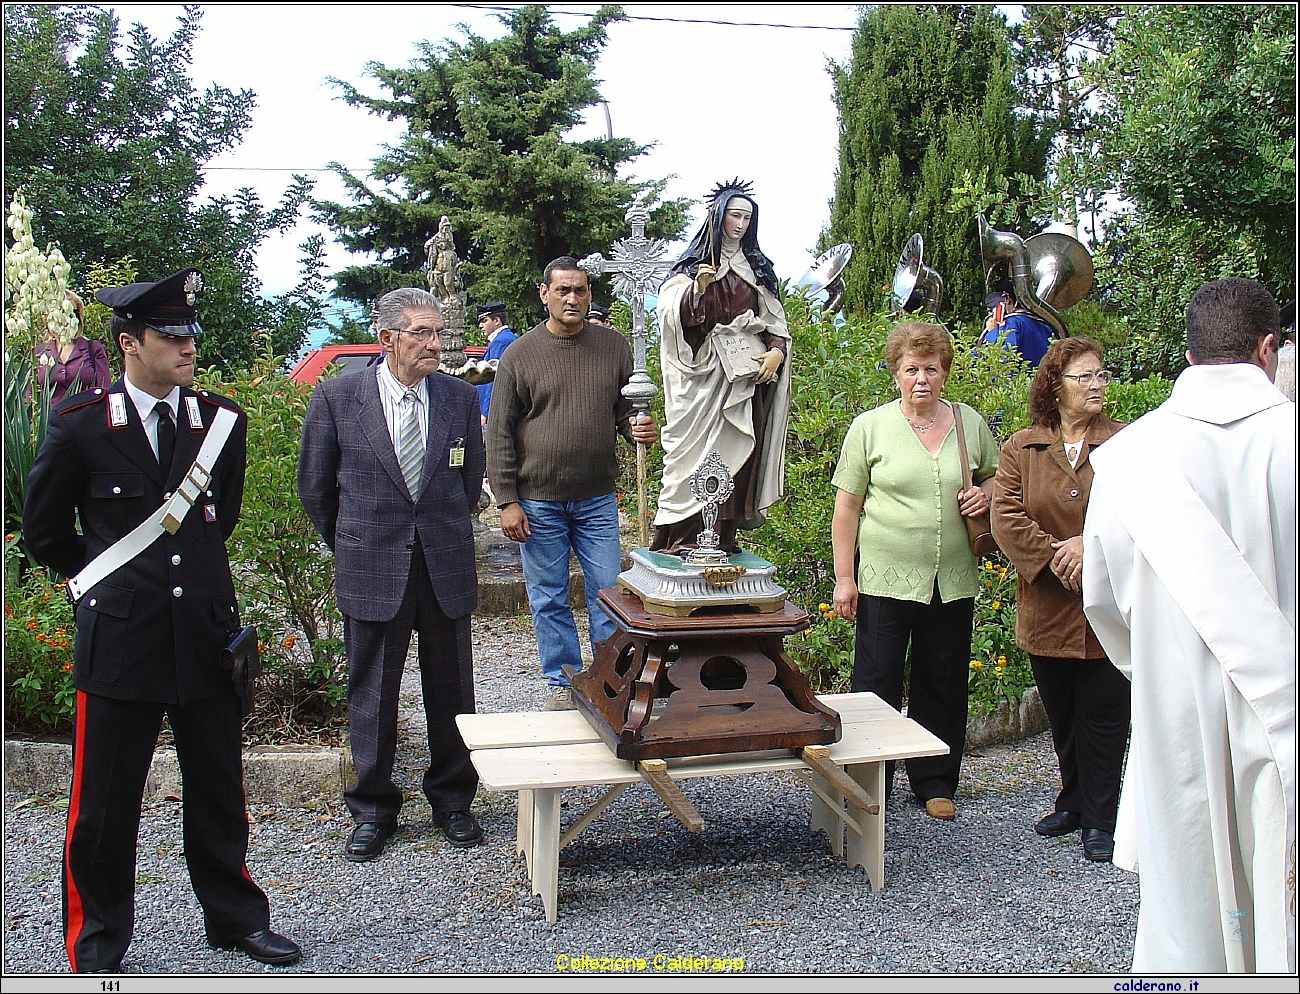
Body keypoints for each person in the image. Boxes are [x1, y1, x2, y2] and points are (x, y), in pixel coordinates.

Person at [24, 268, 300, 971]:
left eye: (190, 335)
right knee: (103, 804)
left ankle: (235, 918)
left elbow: (218, 521)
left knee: (218, 790)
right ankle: (96, 940)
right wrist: (112, 589)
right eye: (171, 336)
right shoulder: (81, 428)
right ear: (129, 343)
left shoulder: (221, 423)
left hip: (205, 637)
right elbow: (46, 534)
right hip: (121, 639)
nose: (188, 347)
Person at [1083, 277, 1295, 972]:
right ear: (1267, 349)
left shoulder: (1132, 457)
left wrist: (1157, 662)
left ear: (1189, 352)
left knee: (1188, 902)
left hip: (1176, 703)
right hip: (1289, 704)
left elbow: (1102, 597)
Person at [298, 287, 485, 859]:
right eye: (421, 333)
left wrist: (435, 532)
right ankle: (373, 808)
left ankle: (453, 800)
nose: (435, 343)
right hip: (372, 565)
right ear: (387, 338)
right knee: (373, 691)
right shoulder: (338, 397)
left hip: (442, 564)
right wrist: (358, 544)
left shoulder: (457, 397)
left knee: (451, 689)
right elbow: (316, 489)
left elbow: (468, 482)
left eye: (437, 332)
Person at [830, 321, 999, 819]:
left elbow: (997, 481)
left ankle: (935, 781)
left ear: (944, 372)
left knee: (943, 680)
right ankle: (870, 780)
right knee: (876, 682)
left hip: (952, 579)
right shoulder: (870, 427)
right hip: (885, 577)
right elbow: (847, 507)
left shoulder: (968, 423)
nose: (921, 378)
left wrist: (984, 495)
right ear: (895, 374)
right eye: (911, 369)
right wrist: (845, 578)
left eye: (931, 368)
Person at [485, 257, 657, 711]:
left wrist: (639, 427)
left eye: (580, 290)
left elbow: (627, 411)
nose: (572, 298)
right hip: (538, 501)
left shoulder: (614, 347)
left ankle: (609, 680)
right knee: (548, 597)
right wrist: (506, 500)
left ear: (589, 295)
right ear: (545, 294)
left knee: (609, 593)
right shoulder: (520, 354)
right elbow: (499, 431)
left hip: (597, 498)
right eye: (562, 290)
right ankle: (562, 683)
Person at [990, 337, 1128, 862]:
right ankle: (1073, 801)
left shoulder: (1125, 444)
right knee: (1063, 714)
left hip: (1107, 608)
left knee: (1104, 715)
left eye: (1100, 375)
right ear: (1055, 386)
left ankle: (1102, 818)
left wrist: (1089, 546)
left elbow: (1140, 512)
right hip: (1047, 606)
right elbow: (1006, 516)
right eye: (1083, 376)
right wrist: (1056, 556)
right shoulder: (1022, 448)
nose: (1096, 385)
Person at [651, 179, 791, 555]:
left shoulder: (757, 271)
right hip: (702, 377)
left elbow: (776, 324)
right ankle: (684, 537)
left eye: (747, 218)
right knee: (693, 456)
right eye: (735, 216)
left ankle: (722, 536)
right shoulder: (692, 268)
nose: (741, 224)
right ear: (718, 217)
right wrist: (696, 290)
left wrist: (776, 353)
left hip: (742, 378)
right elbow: (672, 314)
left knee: (735, 452)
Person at [33, 290, 111, 405]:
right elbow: (30, 394)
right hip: (50, 416)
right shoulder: (39, 352)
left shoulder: (93, 348)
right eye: (61, 312)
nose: (66, 318)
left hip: (86, 414)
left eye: (72, 313)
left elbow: (105, 389)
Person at [980, 289, 1052, 368]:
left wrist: (992, 331)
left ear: (1009, 299)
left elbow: (1002, 359)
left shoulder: (1012, 322)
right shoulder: (1044, 324)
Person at [474, 301, 516, 426]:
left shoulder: (501, 341)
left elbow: (493, 378)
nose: (480, 326)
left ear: (497, 320)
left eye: (484, 321)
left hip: (492, 411)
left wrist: (486, 412)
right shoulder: (503, 339)